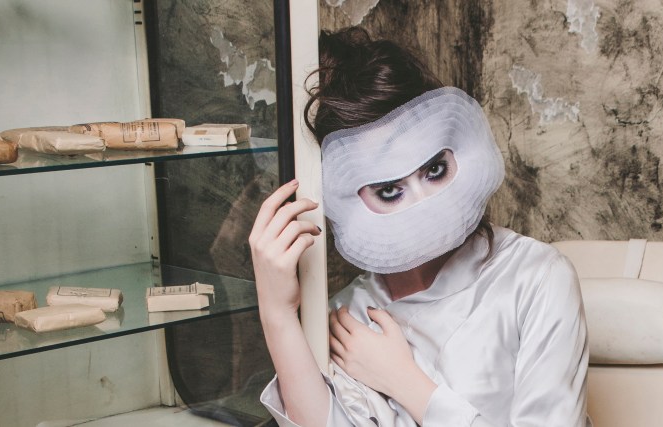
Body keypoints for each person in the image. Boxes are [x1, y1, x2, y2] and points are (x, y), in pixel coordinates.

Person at [250, 27, 590, 427]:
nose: (425, 205)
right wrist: (277, 313)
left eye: (434, 170)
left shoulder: (536, 278)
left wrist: (406, 383)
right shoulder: (347, 316)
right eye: (389, 190)